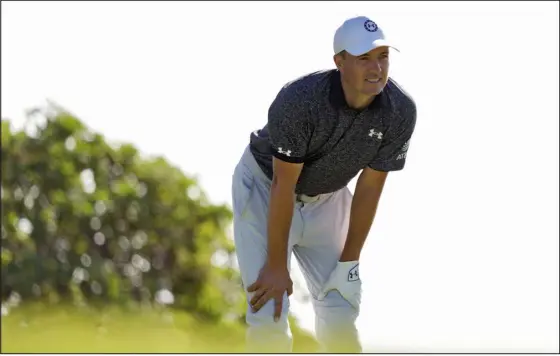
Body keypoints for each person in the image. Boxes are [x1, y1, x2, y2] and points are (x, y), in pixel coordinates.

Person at [231, 15, 417, 353]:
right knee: (269, 308)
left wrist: (350, 262)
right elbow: (283, 186)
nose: (376, 68)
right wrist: (275, 265)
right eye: (364, 58)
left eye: (383, 56)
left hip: (328, 198)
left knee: (340, 305)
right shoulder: (300, 99)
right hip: (264, 188)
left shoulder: (400, 111)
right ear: (340, 61)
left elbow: (371, 186)